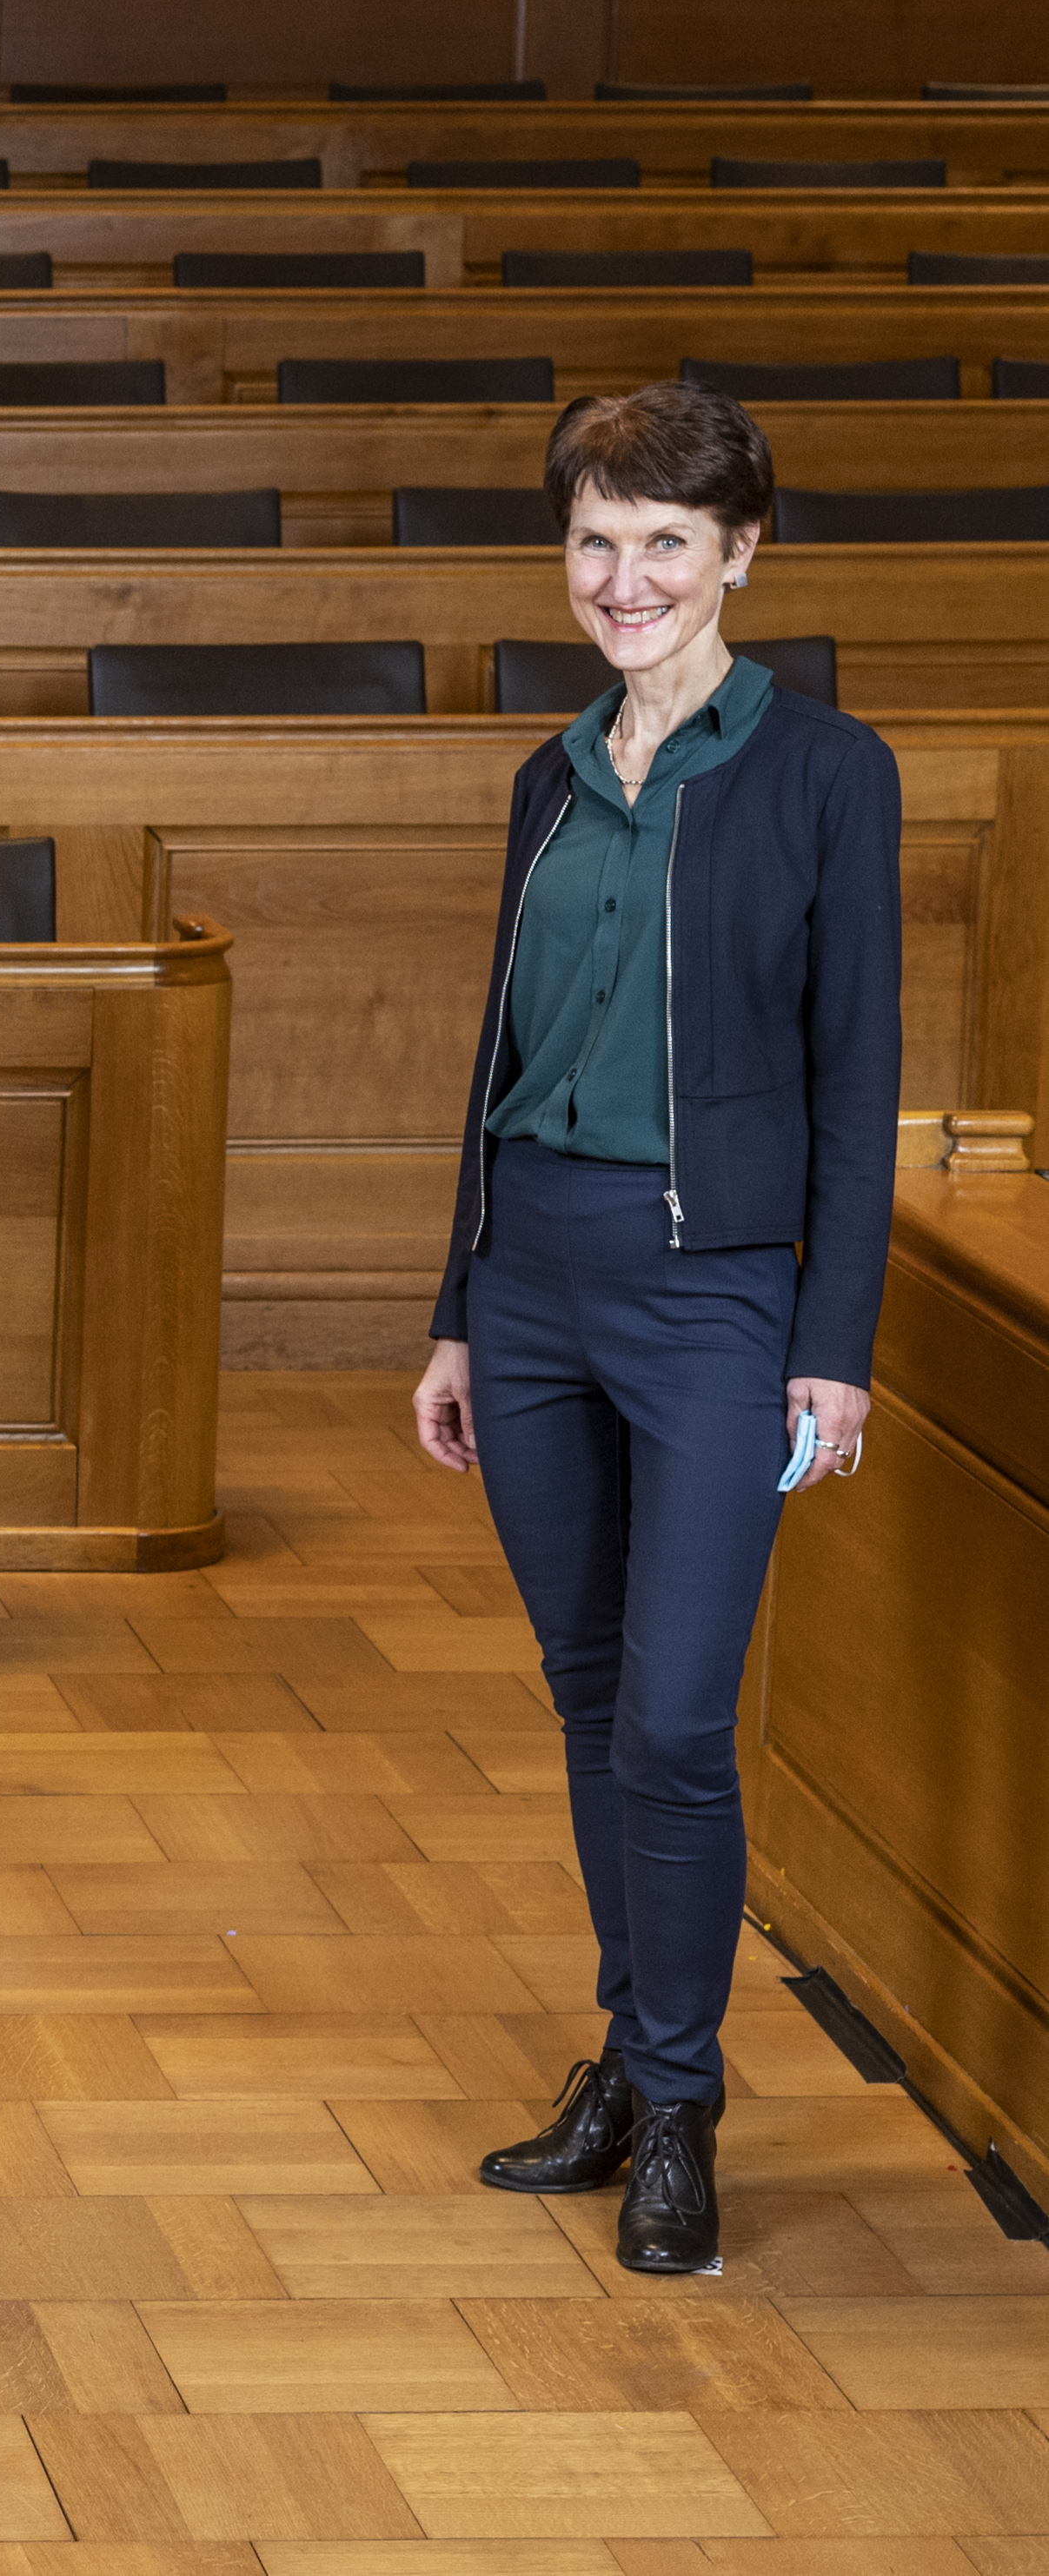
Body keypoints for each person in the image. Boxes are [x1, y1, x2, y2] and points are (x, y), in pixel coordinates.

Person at [413, 382, 899, 2277]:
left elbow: (857, 1080)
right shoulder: (548, 777)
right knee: (589, 1693)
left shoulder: (827, 772)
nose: (625, 579)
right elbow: (498, 1056)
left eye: (666, 544)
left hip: (716, 1297)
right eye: (597, 540)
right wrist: (459, 1309)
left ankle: (682, 2103)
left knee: (680, 1721)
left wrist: (834, 1340)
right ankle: (629, 2056)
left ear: (740, 554)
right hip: (532, 1281)